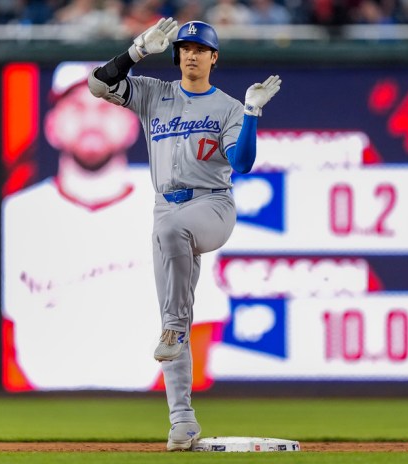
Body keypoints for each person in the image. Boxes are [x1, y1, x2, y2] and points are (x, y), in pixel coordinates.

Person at [88, 18, 281, 451]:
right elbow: (98, 86)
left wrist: (251, 113)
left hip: (213, 205)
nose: (190, 54)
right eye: (184, 47)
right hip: (166, 208)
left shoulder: (229, 107)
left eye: (200, 48)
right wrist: (135, 53)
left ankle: (175, 328)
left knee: (173, 317)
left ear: (214, 57)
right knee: (170, 317)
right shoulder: (155, 92)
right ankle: (182, 423)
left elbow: (244, 163)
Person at [2, 61, 229, 392]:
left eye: (107, 107)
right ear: (52, 126)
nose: (92, 120)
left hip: (148, 408)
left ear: (133, 124)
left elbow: (202, 322)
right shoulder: (16, 214)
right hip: (35, 406)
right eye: (77, 108)